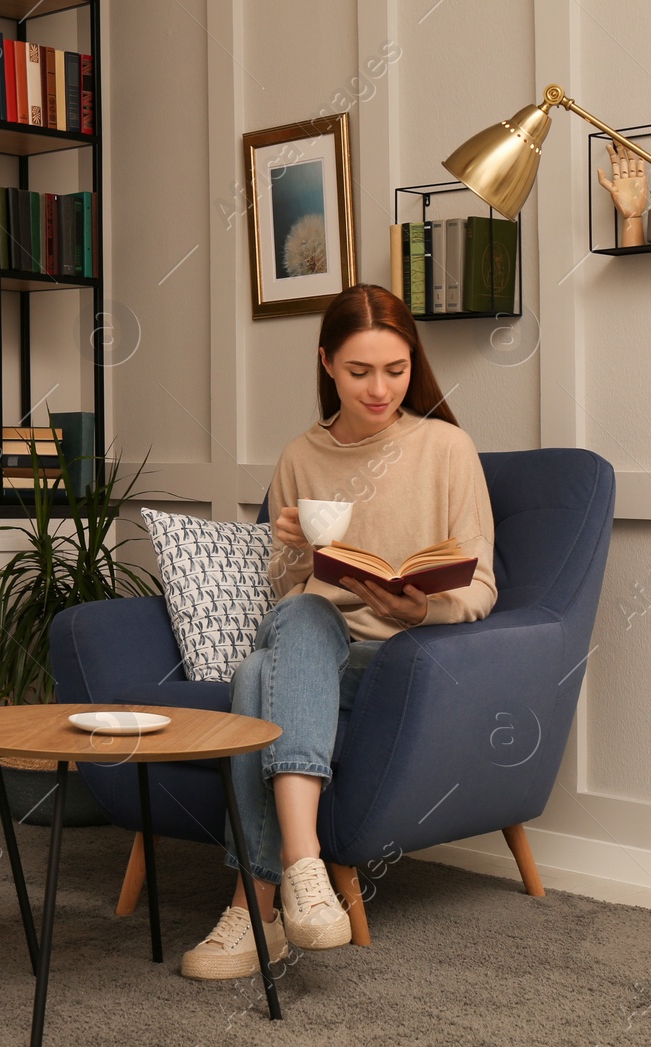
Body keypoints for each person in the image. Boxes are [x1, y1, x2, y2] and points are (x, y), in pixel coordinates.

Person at [181, 283, 498, 980]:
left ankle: (256, 903)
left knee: (255, 675)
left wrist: (422, 610)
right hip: (314, 647)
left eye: (396, 369)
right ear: (327, 363)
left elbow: (481, 587)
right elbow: (288, 585)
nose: (380, 388)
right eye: (359, 372)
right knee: (298, 622)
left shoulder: (448, 448)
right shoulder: (302, 454)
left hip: (398, 657)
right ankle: (302, 871)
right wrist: (292, 543)